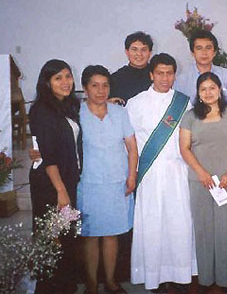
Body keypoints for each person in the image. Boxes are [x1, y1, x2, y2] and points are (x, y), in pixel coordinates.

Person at [127, 53, 197, 292]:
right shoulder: (135, 103)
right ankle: (153, 276)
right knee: (153, 224)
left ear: (174, 75)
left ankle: (179, 275)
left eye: (169, 73)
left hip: (178, 172)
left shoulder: (184, 103)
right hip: (149, 174)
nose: (165, 78)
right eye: (160, 73)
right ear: (151, 74)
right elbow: (130, 143)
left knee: (179, 223)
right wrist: (132, 173)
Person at [179, 72, 227, 294]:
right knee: (203, 229)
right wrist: (201, 173)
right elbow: (184, 148)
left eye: (212, 88)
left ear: (220, 89)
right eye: (203, 89)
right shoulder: (189, 116)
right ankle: (206, 279)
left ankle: (226, 280)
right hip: (200, 181)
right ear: (198, 93)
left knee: (225, 229)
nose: (208, 93)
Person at [77, 65, 138, 294]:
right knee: (90, 234)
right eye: (95, 85)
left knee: (112, 233)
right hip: (88, 182)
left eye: (105, 85)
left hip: (117, 181)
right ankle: (92, 283)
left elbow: (132, 147)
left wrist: (131, 175)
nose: (101, 91)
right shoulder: (76, 114)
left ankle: (111, 281)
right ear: (85, 88)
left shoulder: (120, 113)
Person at [29, 59, 83, 294]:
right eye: (58, 78)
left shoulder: (68, 105)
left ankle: (65, 286)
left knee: (66, 237)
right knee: (52, 239)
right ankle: (49, 288)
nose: (65, 82)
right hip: (51, 185)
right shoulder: (43, 110)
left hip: (66, 181)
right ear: (47, 82)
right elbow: (49, 156)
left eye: (68, 76)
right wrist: (61, 191)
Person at [175, 30, 227, 105]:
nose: (204, 52)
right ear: (192, 53)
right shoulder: (182, 80)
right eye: (199, 48)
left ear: (214, 52)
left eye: (208, 48)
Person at [109, 31, 154, 105]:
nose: (139, 54)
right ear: (127, 52)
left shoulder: (158, 76)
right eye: (134, 49)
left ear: (150, 52)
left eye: (143, 50)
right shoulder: (115, 79)